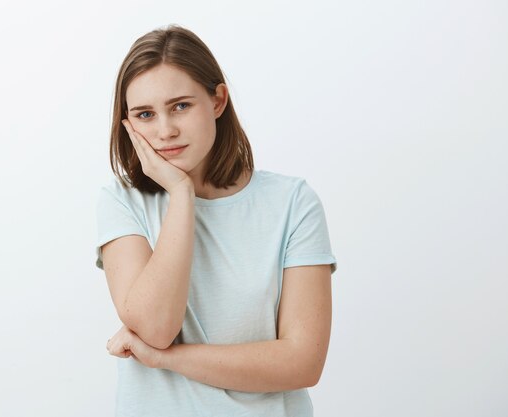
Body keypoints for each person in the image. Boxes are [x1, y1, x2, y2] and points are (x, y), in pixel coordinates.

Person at [95, 23, 338, 417]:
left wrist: (167, 359)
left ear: (218, 101)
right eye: (145, 114)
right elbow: (156, 327)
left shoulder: (292, 203)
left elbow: (302, 362)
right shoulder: (122, 202)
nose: (165, 130)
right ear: (128, 124)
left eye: (181, 106)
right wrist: (181, 193)